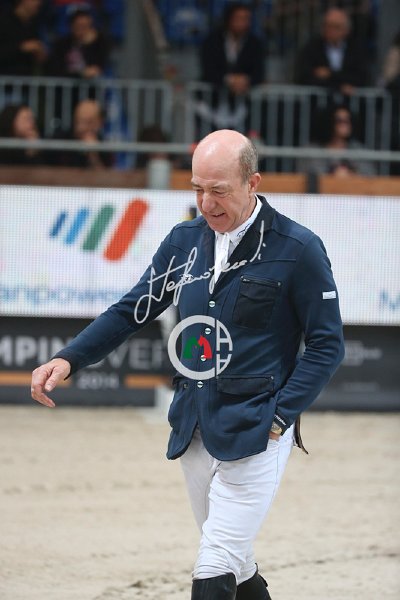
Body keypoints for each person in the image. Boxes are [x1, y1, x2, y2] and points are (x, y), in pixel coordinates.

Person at [31, 129, 344, 599]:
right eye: (197, 188)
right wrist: (68, 357)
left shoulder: (298, 248)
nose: (206, 203)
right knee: (237, 564)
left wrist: (281, 416)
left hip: (258, 429)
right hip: (193, 424)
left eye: (219, 190)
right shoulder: (184, 242)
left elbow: (327, 345)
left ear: (253, 183)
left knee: (214, 564)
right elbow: (131, 311)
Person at [198, 2, 265, 131]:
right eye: (239, 18)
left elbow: (259, 72)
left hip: (242, 106)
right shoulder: (212, 41)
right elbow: (208, 69)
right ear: (229, 19)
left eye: (246, 19)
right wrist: (229, 80)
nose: (243, 23)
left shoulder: (255, 44)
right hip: (211, 103)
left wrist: (245, 80)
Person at [295, 7, 368, 94]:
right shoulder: (311, 48)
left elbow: (361, 77)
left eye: (336, 27)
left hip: (350, 101)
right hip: (319, 100)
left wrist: (330, 74)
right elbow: (305, 77)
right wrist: (339, 86)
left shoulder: (356, 49)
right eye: (327, 25)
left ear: (346, 30)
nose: (330, 30)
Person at [297, 104, 376, 176]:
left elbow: (370, 175)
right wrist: (333, 175)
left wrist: (351, 174)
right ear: (329, 122)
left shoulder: (357, 149)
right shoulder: (313, 150)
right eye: (339, 121)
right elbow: (306, 175)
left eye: (348, 121)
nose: (345, 125)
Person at [47, 7, 110, 79]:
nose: (81, 30)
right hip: (66, 84)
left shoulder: (99, 43)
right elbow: (55, 70)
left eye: (85, 26)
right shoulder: (61, 45)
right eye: (78, 26)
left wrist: (89, 44)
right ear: (71, 26)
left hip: (91, 85)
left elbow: (100, 67)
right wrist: (81, 73)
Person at [50, 98, 113, 168]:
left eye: (88, 122)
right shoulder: (59, 141)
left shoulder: (105, 147)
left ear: (99, 123)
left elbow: (105, 174)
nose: (80, 127)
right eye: (78, 121)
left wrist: (93, 155)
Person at [0, 0, 47, 76]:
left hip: (25, 80)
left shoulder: (33, 25)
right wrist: (21, 48)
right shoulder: (3, 21)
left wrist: (40, 56)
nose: (39, 3)